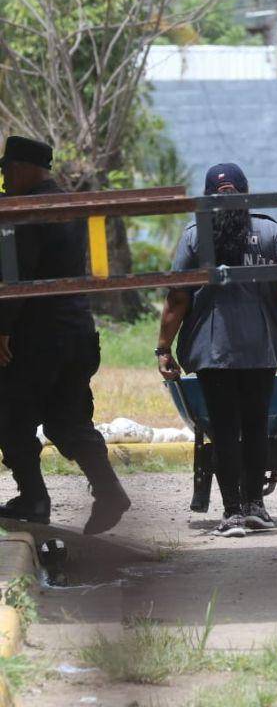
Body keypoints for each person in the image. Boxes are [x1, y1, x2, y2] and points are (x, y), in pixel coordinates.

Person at [156, 163, 277, 538]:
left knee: (223, 429)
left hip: (214, 349)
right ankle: (255, 505)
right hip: (260, 347)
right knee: (257, 424)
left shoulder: (196, 236)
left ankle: (232, 513)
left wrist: (163, 347)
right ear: (247, 192)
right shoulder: (270, 231)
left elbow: (178, 298)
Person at [0, 136, 131, 533]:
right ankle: (109, 492)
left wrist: (2, 328)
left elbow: (16, 276)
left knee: (10, 415)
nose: (4, 180)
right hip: (78, 331)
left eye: (6, 171)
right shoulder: (68, 206)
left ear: (22, 168)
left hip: (39, 336)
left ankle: (34, 499)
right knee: (68, 419)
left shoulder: (28, 209)